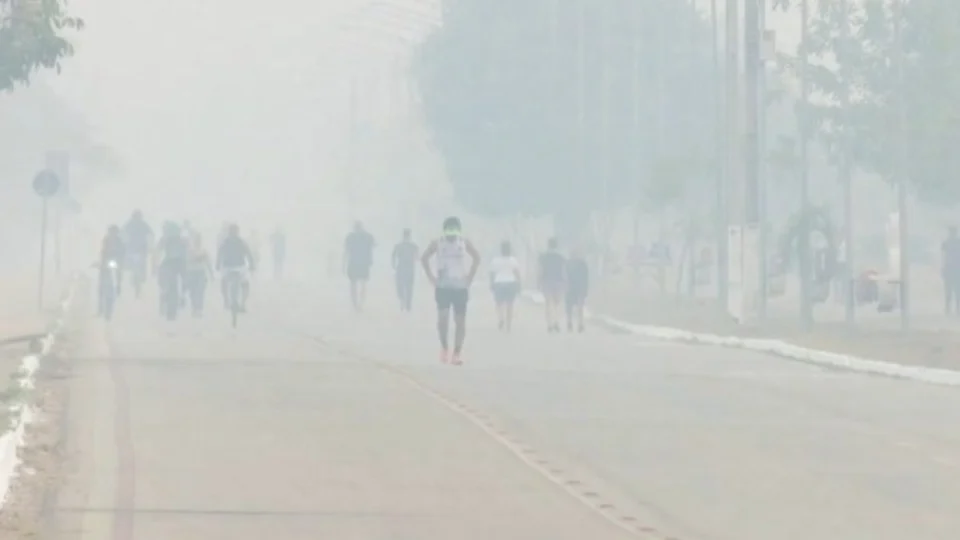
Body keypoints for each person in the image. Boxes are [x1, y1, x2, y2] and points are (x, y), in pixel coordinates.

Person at [421, 216, 480, 365]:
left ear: (458, 231)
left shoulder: (464, 242)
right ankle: (444, 347)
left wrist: (470, 277)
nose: (452, 236)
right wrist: (431, 277)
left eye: (454, 232)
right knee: (443, 318)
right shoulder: (437, 243)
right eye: (449, 232)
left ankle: (457, 353)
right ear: (445, 231)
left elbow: (477, 258)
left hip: (460, 287)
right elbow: (424, 258)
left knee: (460, 321)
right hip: (443, 287)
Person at [217, 224, 256, 312]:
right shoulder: (240, 242)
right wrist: (252, 265)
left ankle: (227, 300)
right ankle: (241, 303)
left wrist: (218, 264)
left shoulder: (225, 242)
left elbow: (220, 253)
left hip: (230, 267)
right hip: (238, 267)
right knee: (245, 285)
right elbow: (248, 253)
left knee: (224, 282)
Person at [155, 221, 188, 317]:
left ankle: (181, 295)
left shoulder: (179, 240)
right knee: (166, 279)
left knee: (183, 281)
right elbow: (157, 252)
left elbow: (157, 252)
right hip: (174, 264)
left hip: (175, 263)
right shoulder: (167, 240)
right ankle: (179, 295)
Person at [489, 240, 522, 331]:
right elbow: (517, 273)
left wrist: (491, 284)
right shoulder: (513, 260)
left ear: (501, 250)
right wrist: (519, 283)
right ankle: (508, 325)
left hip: (499, 283)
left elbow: (492, 274)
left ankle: (501, 318)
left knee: (499, 304)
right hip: (511, 283)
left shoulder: (495, 260)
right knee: (510, 305)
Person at [344, 221, 375, 311]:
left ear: (354, 228)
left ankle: (355, 304)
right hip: (364, 263)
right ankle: (360, 304)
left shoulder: (350, 237)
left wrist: (343, 263)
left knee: (353, 284)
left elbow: (346, 251)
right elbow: (373, 246)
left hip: (353, 262)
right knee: (363, 284)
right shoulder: (368, 236)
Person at [538, 237, 566, 333]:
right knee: (557, 303)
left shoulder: (543, 257)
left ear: (548, 245)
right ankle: (556, 322)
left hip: (547, 281)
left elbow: (541, 270)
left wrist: (539, 281)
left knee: (548, 303)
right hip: (558, 281)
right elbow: (563, 271)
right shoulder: (561, 257)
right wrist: (565, 282)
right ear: (556, 245)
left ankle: (549, 324)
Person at [122, 210, 153, 295]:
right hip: (132, 248)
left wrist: (151, 245)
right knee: (129, 262)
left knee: (142, 263)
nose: (137, 218)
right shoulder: (130, 224)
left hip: (141, 249)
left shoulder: (143, 224)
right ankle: (133, 273)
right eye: (136, 216)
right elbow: (122, 233)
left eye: (138, 216)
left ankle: (142, 276)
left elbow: (151, 234)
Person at [184, 233, 215, 317]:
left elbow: (208, 263)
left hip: (201, 273)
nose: (197, 241)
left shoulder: (204, 250)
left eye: (199, 239)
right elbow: (186, 262)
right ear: (193, 240)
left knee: (200, 291)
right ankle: (194, 308)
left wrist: (211, 274)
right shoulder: (189, 250)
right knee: (193, 292)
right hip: (191, 273)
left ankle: (199, 309)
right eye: (196, 239)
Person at [99, 225, 125, 316]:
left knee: (119, 273)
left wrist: (121, 261)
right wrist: (102, 262)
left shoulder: (119, 241)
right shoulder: (106, 240)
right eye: (111, 232)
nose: (113, 234)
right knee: (101, 284)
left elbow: (122, 253)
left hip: (115, 262)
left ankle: (118, 286)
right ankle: (100, 307)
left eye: (114, 232)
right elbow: (103, 252)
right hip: (106, 262)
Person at [391, 228, 419, 312]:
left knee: (400, 285)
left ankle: (402, 299)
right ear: (409, 236)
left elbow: (393, 256)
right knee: (409, 287)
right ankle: (408, 305)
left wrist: (393, 265)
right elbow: (417, 257)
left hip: (401, 267)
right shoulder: (414, 246)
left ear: (403, 235)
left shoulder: (398, 245)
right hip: (410, 268)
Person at [565, 246, 590, 332]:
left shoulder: (568, 263)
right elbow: (586, 278)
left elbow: (565, 276)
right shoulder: (583, 264)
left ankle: (569, 322)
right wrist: (586, 290)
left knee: (569, 307)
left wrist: (565, 287)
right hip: (580, 288)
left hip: (571, 288)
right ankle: (580, 323)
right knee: (580, 307)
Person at [943, 226, 960, 314]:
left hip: (951, 269)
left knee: (950, 290)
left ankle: (949, 309)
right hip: (955, 269)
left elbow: (943, 256)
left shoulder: (947, 243)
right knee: (956, 290)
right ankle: (954, 309)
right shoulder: (957, 242)